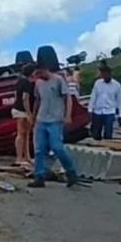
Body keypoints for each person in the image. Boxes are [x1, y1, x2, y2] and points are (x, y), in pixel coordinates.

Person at [29, 61, 85, 189]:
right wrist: (33, 116)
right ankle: (39, 176)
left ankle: (71, 171)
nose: (38, 76)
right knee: (39, 150)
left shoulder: (58, 80)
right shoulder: (38, 83)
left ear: (45, 69)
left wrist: (68, 115)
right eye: (36, 75)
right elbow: (38, 100)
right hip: (41, 119)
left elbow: (68, 98)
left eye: (39, 73)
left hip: (55, 120)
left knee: (57, 148)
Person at [88, 62, 121, 140]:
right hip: (98, 111)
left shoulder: (117, 85)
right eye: (103, 74)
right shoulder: (97, 83)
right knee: (96, 133)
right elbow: (93, 97)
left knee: (108, 133)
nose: (104, 76)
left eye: (105, 74)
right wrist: (90, 109)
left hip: (109, 112)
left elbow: (120, 101)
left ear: (110, 74)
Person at [11, 63, 37, 169]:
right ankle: (19, 158)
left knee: (25, 134)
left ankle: (26, 156)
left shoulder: (19, 81)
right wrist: (29, 114)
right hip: (22, 110)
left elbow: (15, 95)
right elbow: (25, 99)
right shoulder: (27, 83)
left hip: (17, 108)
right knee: (21, 133)